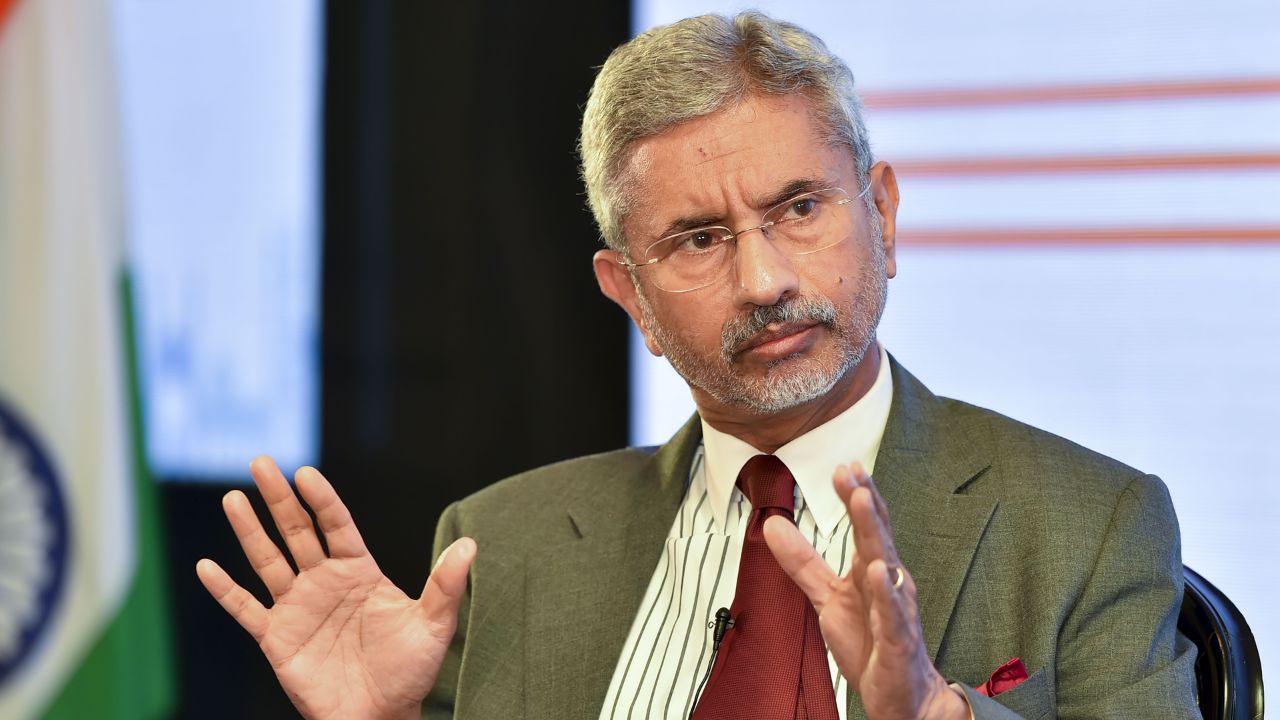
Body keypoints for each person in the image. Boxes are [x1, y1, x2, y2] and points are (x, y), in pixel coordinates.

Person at [196, 11, 1201, 720]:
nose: (763, 280)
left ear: (883, 216)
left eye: (798, 208)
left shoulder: (1087, 524)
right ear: (629, 294)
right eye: (698, 239)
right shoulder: (503, 547)